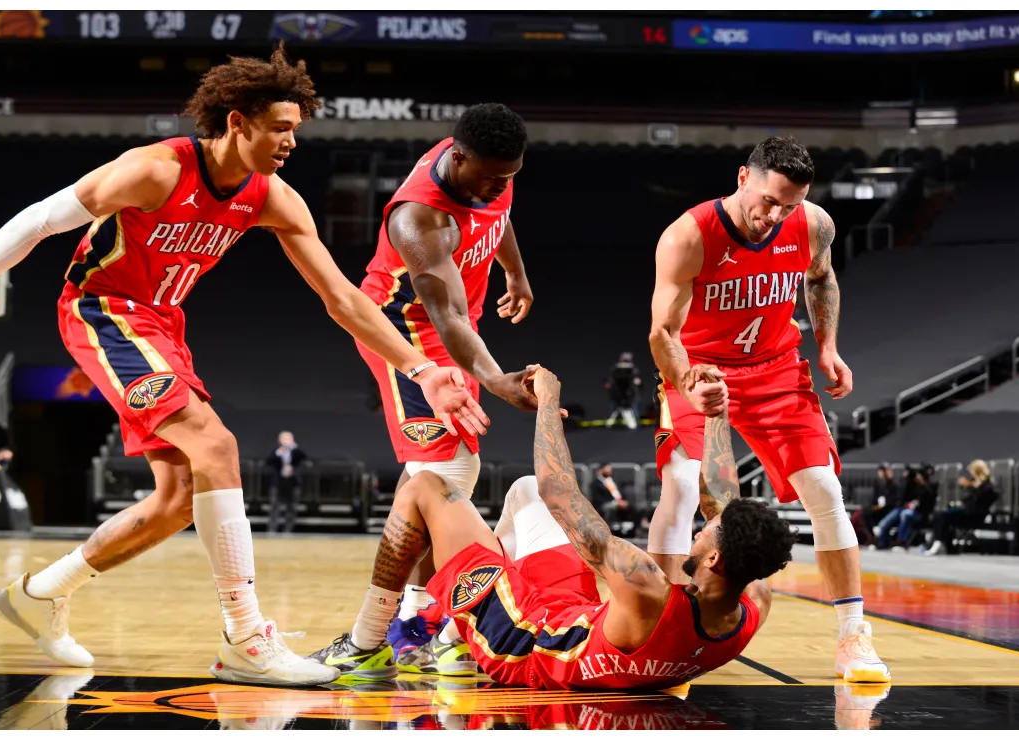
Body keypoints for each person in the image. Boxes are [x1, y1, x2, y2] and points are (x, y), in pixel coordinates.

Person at [0, 43, 488, 687]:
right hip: (104, 311)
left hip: (162, 325)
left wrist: (420, 370)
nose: (291, 143)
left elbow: (344, 298)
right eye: (280, 128)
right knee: (217, 446)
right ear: (237, 122)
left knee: (178, 499)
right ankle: (246, 638)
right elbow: (39, 220)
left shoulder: (272, 197)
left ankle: (42, 592)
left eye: (295, 130)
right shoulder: (154, 171)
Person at [310, 367, 796, 690]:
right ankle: (453, 638)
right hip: (576, 618)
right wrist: (716, 414)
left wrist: (547, 401)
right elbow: (723, 500)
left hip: (521, 638)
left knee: (425, 487)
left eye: (706, 532)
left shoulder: (647, 587)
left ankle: (366, 645)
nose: (701, 528)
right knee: (523, 491)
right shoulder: (752, 598)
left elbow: (560, 494)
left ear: (713, 558)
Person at [647, 136, 889, 682]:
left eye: (789, 205)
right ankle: (660, 618)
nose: (775, 216)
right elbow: (662, 332)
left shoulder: (813, 224)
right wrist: (686, 383)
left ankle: (853, 636)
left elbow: (822, 279)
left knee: (825, 490)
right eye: (769, 202)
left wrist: (827, 347)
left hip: (776, 369)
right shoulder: (689, 235)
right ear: (743, 178)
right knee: (682, 486)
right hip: (701, 370)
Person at [348, 102, 537, 674]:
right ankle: (392, 632)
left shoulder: (490, 171)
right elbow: (446, 315)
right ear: (458, 159)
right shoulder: (417, 219)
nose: (500, 186)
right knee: (447, 471)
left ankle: (409, 626)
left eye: (509, 176)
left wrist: (514, 271)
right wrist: (495, 380)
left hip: (459, 331)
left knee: (431, 478)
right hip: (404, 332)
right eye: (491, 177)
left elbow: (500, 215)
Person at [925, 460, 999, 556]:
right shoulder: (976, 484)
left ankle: (940, 543)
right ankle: (940, 542)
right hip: (967, 512)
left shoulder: (988, 486)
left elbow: (980, 500)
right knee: (940, 514)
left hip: (975, 516)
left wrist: (970, 487)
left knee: (943, 515)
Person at [263, 431, 306, 533]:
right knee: (274, 505)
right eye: (284, 439)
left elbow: (303, 456)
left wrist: (293, 447)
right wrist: (281, 451)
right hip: (278, 483)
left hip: (293, 483)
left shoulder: (296, 452)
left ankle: (288, 529)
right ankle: (272, 528)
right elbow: (269, 461)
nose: (286, 441)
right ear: (279, 440)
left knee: (292, 507)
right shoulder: (276, 452)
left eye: (288, 439)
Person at [589, 464, 639, 537]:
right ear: (601, 471)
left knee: (634, 508)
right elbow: (598, 498)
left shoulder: (613, 481)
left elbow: (620, 494)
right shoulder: (595, 484)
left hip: (619, 502)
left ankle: (632, 533)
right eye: (607, 469)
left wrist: (623, 502)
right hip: (605, 504)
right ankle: (608, 532)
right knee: (609, 508)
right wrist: (615, 503)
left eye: (610, 469)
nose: (609, 471)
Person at [604, 352, 642, 429]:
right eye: (624, 360)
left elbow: (639, 382)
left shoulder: (633, 369)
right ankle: (610, 427)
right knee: (613, 410)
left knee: (633, 412)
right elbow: (611, 380)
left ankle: (635, 427)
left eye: (627, 360)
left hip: (630, 396)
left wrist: (637, 381)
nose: (625, 362)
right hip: (617, 395)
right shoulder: (615, 369)